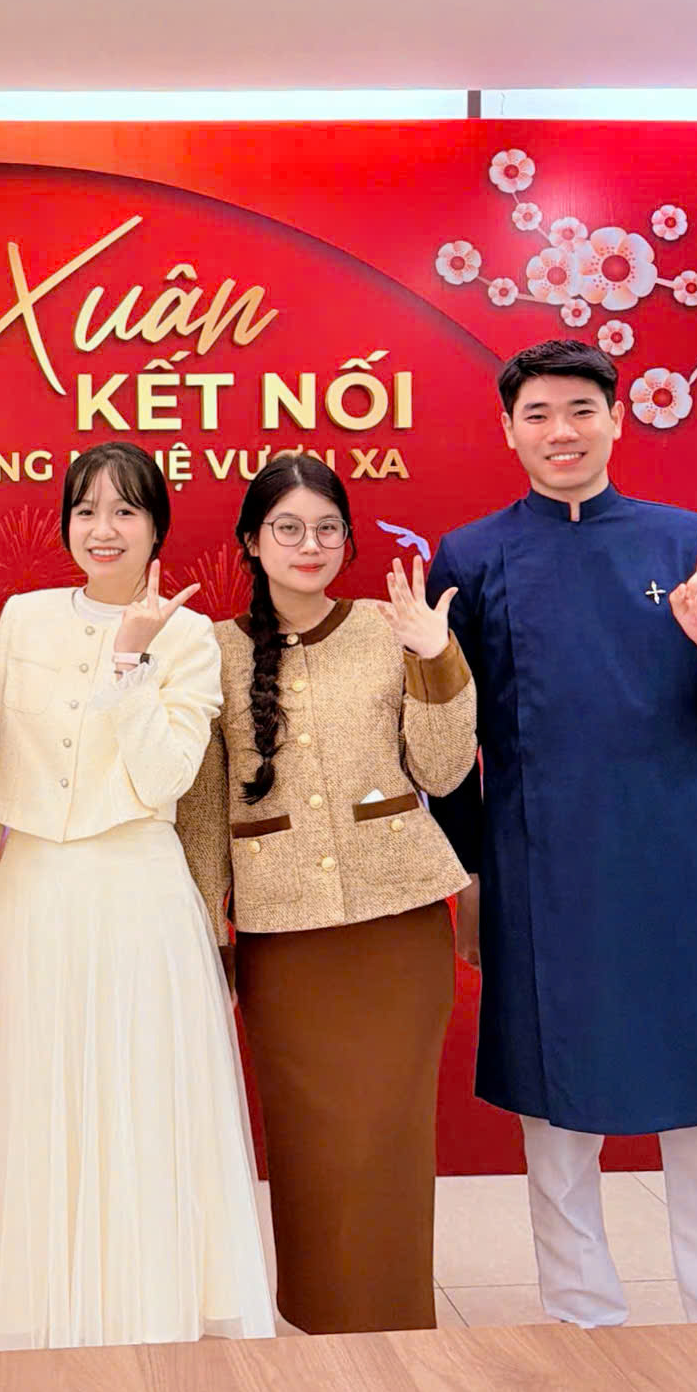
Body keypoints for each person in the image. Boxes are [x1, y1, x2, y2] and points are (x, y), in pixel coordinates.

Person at [427, 337, 697, 1329]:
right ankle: (582, 1321)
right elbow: (449, 741)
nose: (561, 431)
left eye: (581, 410)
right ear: (507, 431)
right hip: (541, 873)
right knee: (557, 1112)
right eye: (537, 414)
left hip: (677, 864)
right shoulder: (471, 556)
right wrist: (468, 875)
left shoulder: (688, 546)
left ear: (617, 420)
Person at [0, 441, 273, 1351]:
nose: (103, 529)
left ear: (155, 528)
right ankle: (36, 1314)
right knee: (37, 1106)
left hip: (138, 894)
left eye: (125, 510)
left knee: (140, 1104)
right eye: (86, 509)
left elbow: (165, 776)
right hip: (34, 893)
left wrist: (131, 660)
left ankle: (145, 1311)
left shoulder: (191, 638)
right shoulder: (21, 618)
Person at [178, 457, 476, 1334]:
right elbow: (201, 813)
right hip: (281, 937)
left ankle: (399, 1330)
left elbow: (442, 771)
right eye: (287, 528)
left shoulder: (393, 628)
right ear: (251, 541)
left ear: (346, 540)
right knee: (308, 1143)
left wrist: (435, 656)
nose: (307, 545)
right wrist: (208, 935)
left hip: (397, 926)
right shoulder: (212, 649)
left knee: (389, 1139)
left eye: (325, 529)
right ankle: (315, 1328)